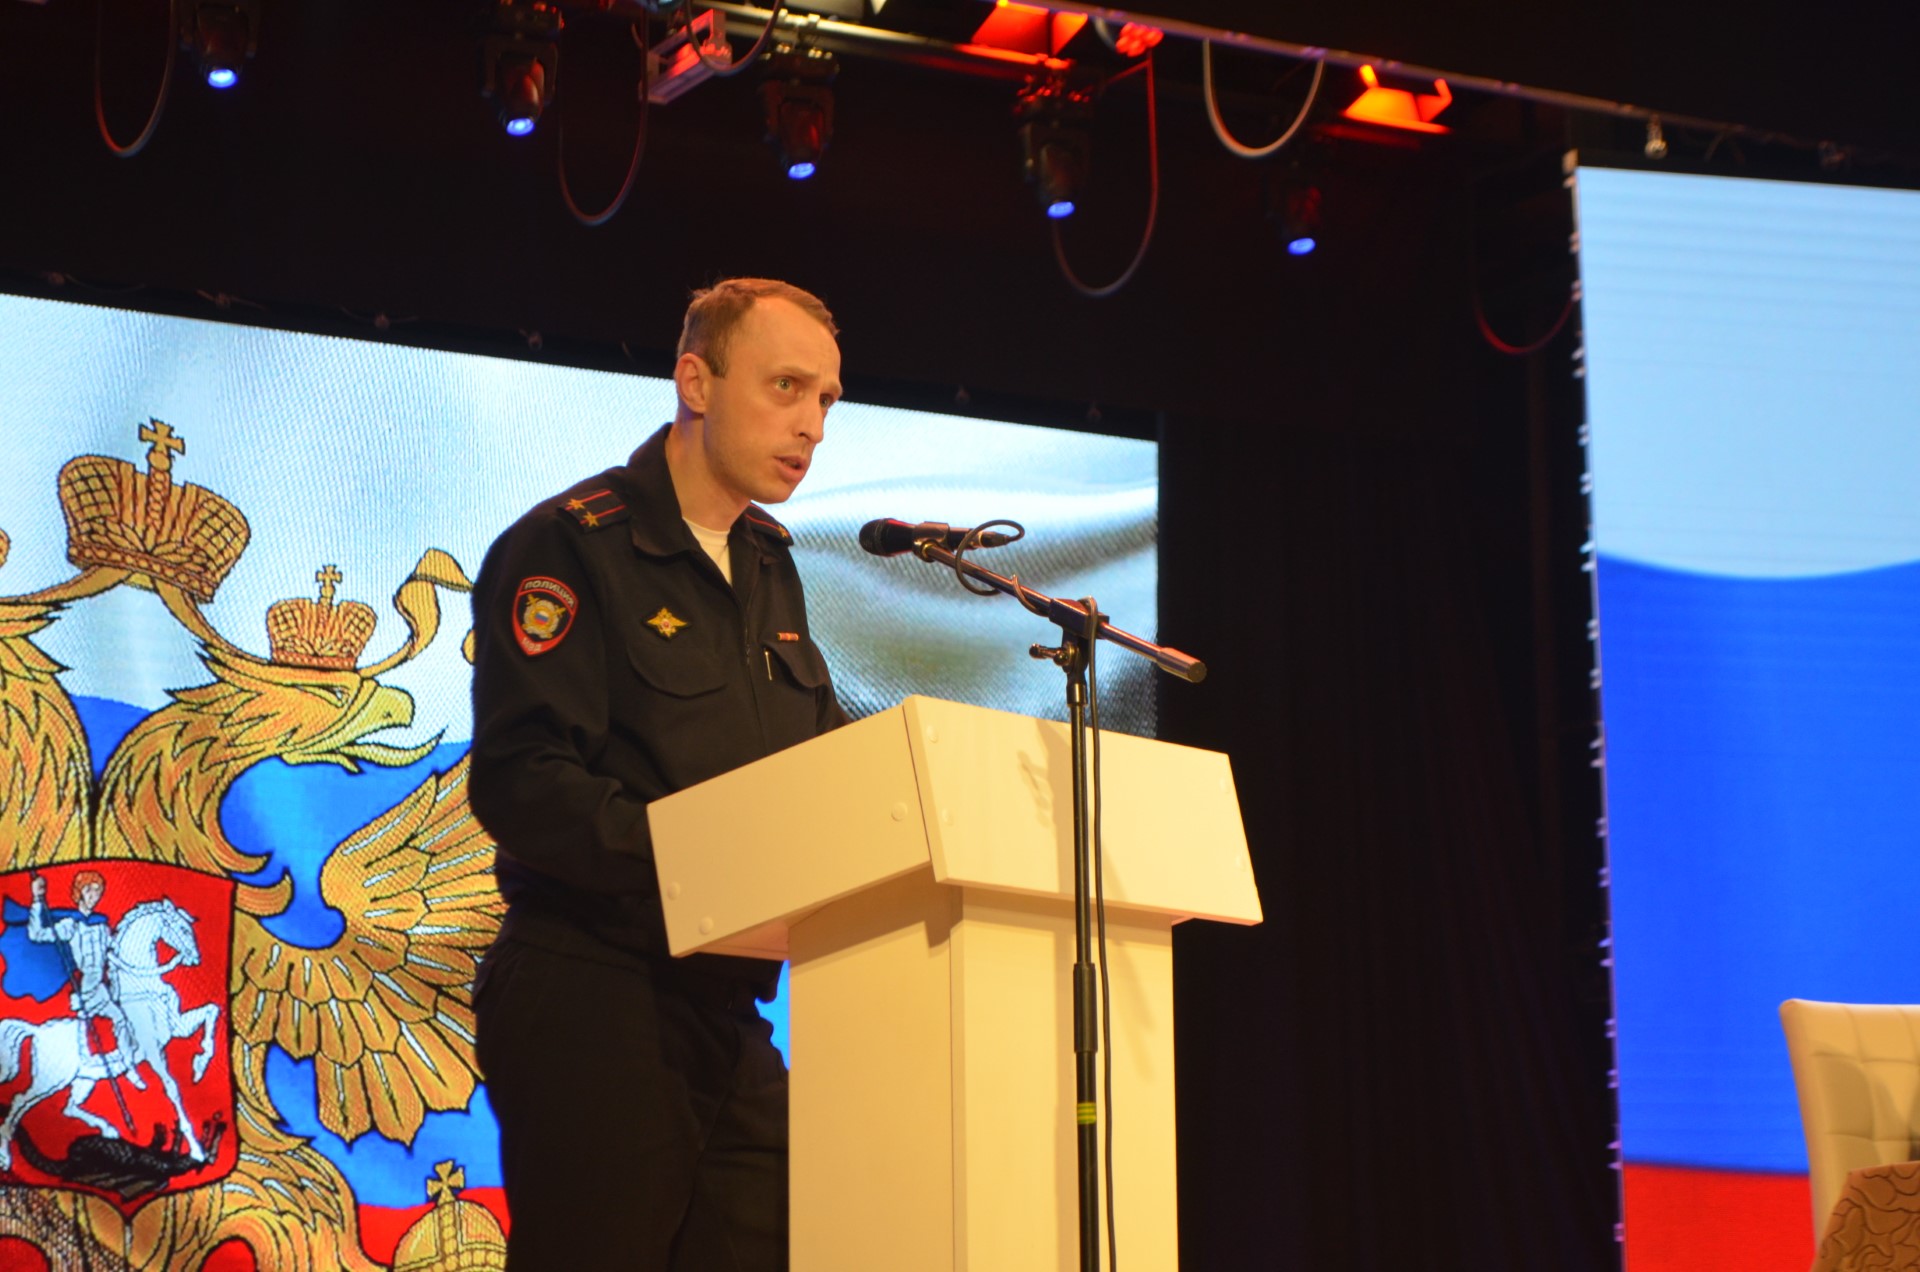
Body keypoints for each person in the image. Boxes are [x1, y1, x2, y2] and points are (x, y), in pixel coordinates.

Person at [468, 277, 848, 1270]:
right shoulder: (571, 544)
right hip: (591, 990)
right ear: (696, 381)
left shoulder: (770, 564)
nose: (812, 425)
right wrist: (696, 861)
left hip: (725, 1009)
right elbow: (520, 778)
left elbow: (813, 771)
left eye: (825, 400)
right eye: (786, 387)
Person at [28, 870, 142, 1085]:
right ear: (79, 892)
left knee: (120, 1020)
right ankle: (81, 1062)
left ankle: (129, 1065)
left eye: (97, 891)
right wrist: (36, 900)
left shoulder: (102, 926)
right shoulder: (70, 924)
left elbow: (114, 951)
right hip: (83, 986)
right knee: (83, 1027)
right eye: (89, 890)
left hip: (101, 986)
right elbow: (37, 934)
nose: (93, 896)